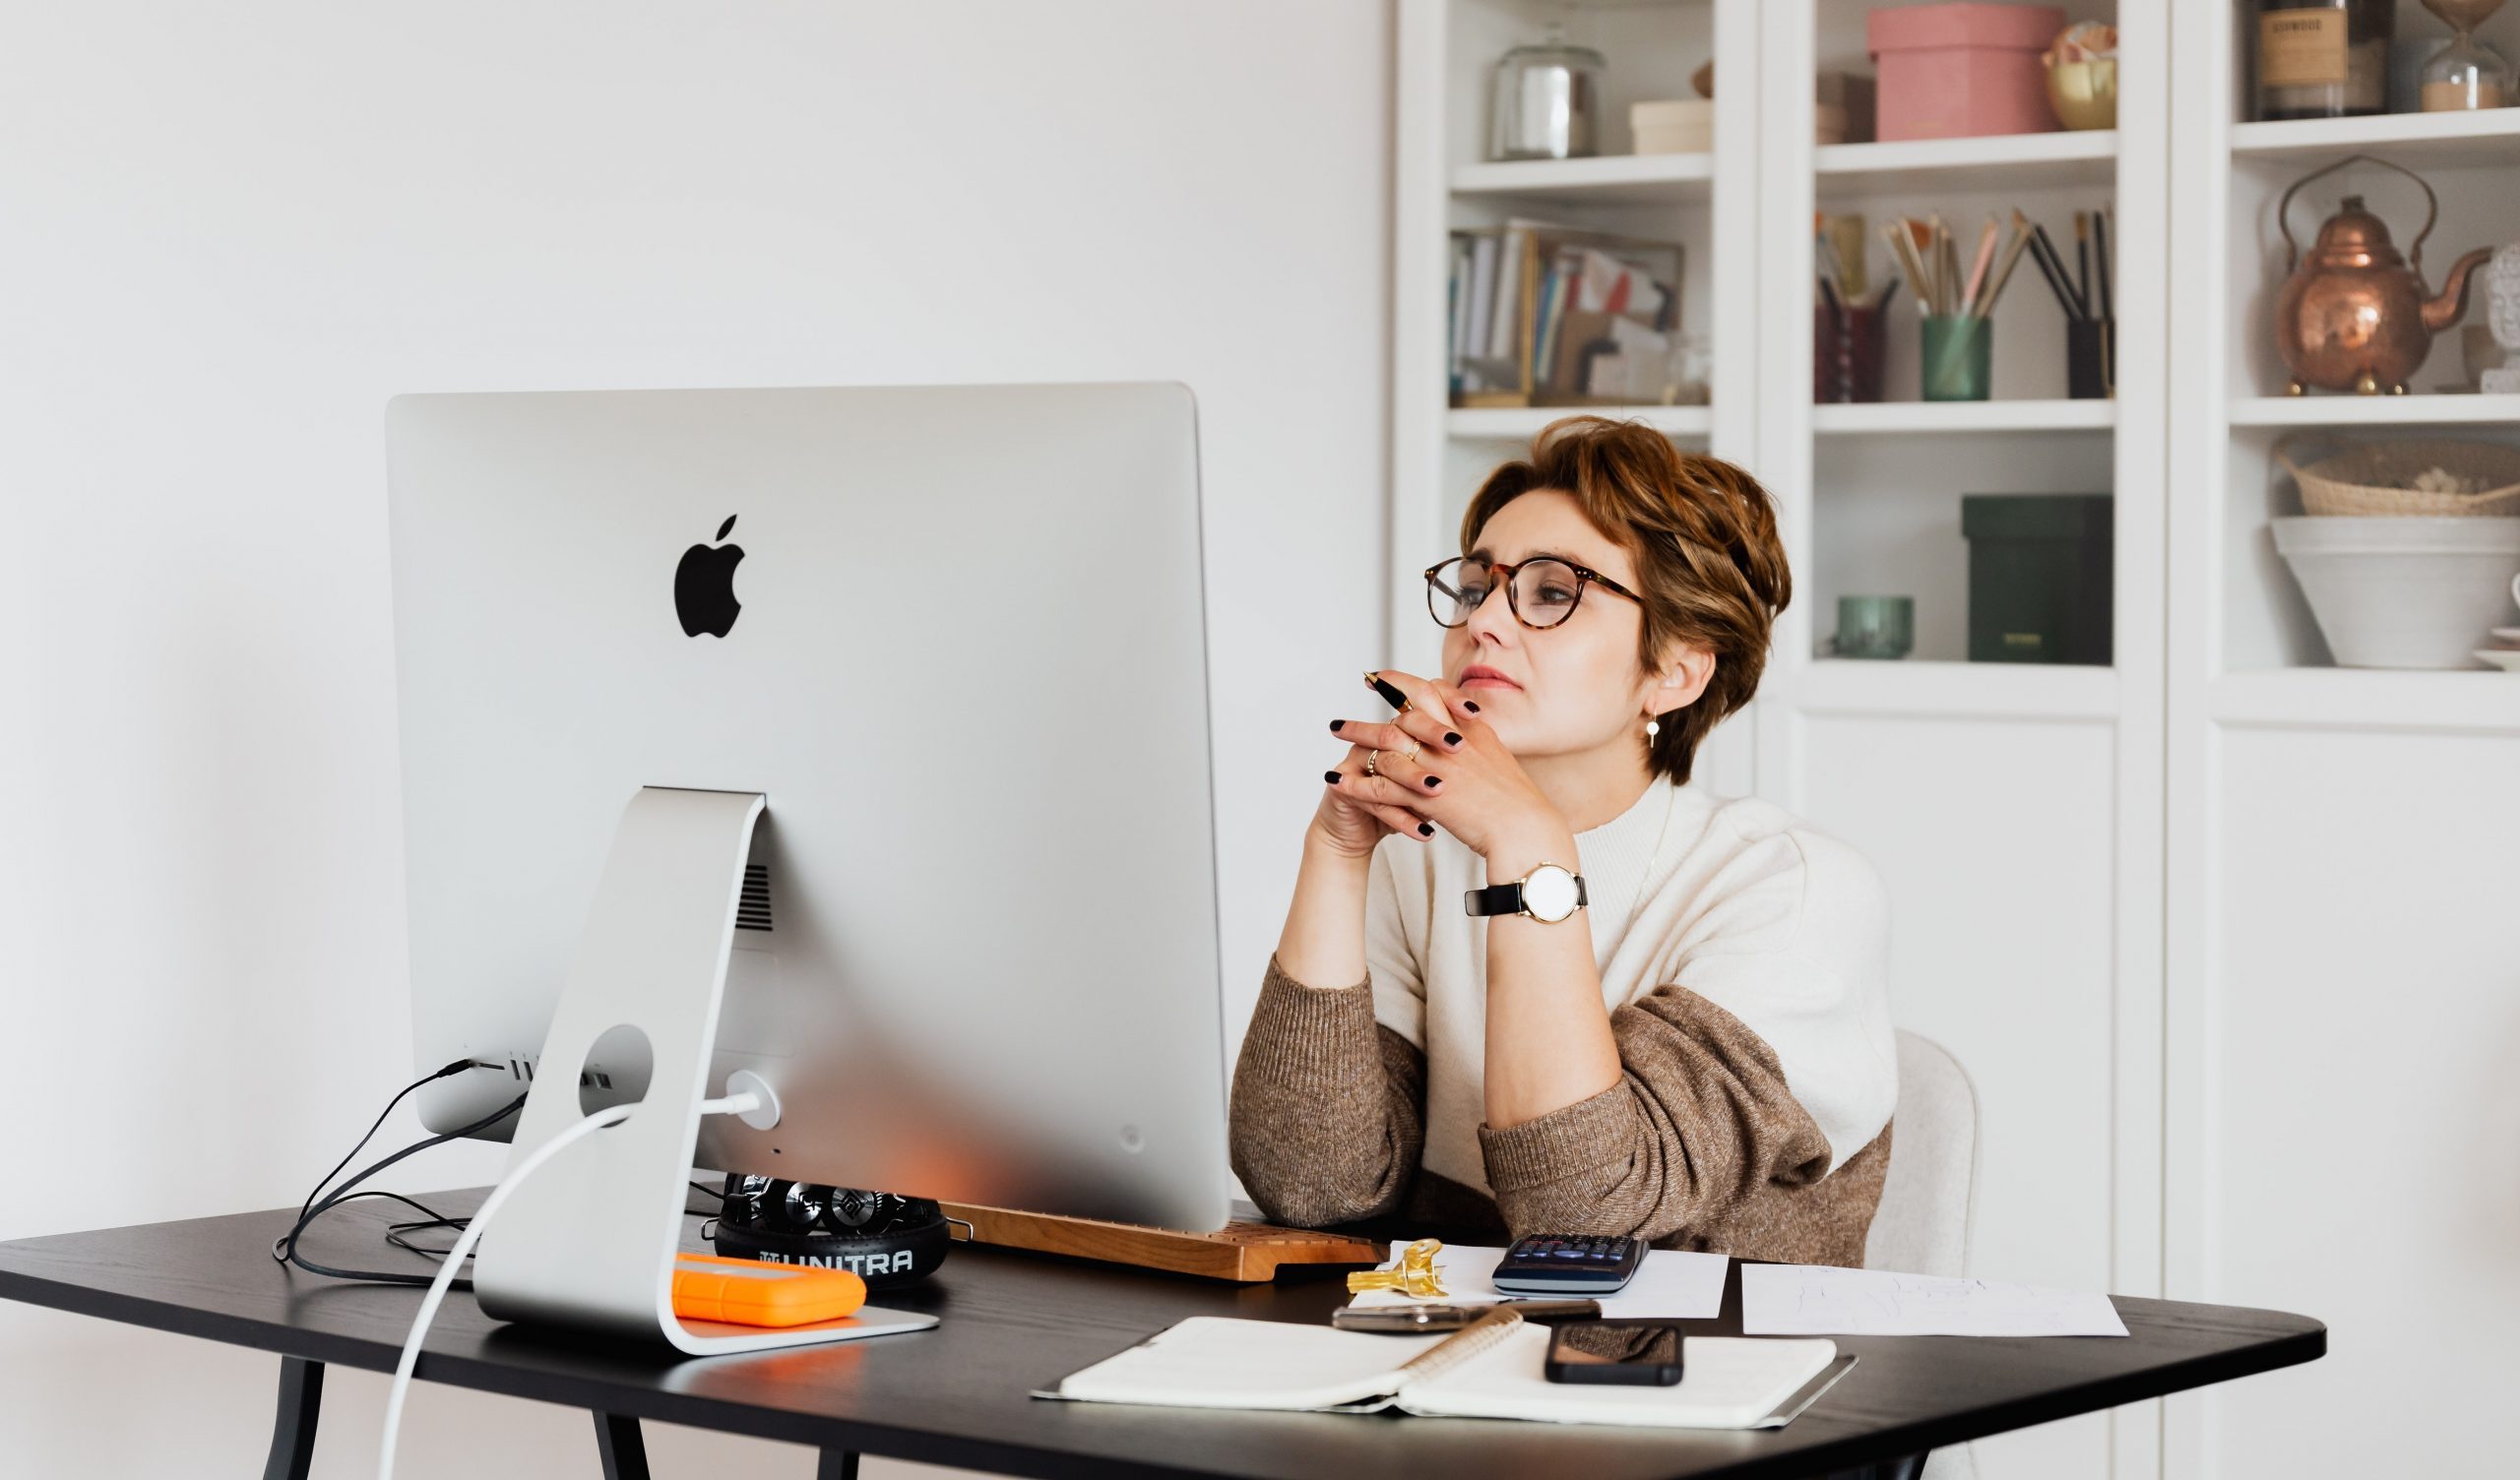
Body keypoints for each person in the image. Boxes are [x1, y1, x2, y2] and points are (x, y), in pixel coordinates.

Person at [1228, 416, 1898, 1265]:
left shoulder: (1795, 891)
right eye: (1476, 588)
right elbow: (1312, 1186)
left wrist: (1529, 844)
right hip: (1447, 1365)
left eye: (1551, 592)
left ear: (1675, 672)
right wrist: (1338, 846)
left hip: (1700, 1375)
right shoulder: (1419, 857)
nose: (1485, 623)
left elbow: (1583, 1214)